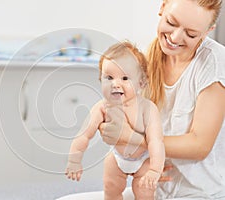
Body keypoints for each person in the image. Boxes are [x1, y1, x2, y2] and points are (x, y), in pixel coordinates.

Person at [99, 0, 225, 199]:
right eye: (172, 22)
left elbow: (199, 145)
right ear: (162, 7)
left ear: (208, 31)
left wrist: (132, 139)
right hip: (154, 188)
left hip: (198, 193)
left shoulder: (215, 63)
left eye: (191, 34)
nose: (175, 38)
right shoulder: (147, 60)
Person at [65, 41, 165, 200]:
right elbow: (84, 135)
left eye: (125, 78)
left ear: (141, 82)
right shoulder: (102, 107)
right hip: (118, 158)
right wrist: (74, 160)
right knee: (110, 187)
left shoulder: (147, 108)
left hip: (144, 159)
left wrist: (154, 170)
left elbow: (156, 141)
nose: (115, 84)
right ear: (100, 80)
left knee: (143, 191)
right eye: (109, 77)